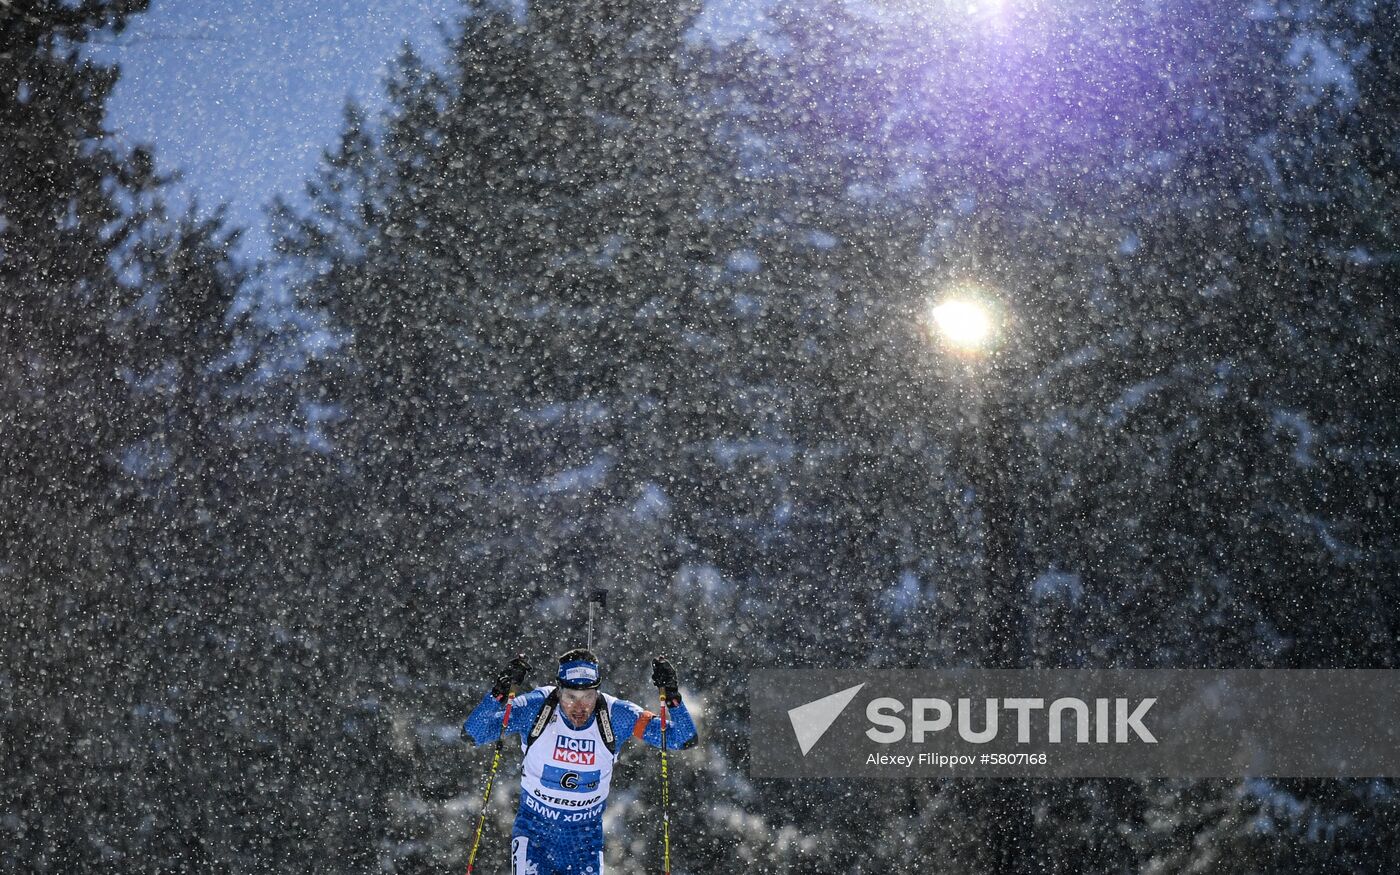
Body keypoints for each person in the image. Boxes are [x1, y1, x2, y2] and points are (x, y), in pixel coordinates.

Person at [463, 648, 697, 875]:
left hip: (583, 843)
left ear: (597, 691)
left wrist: (672, 696)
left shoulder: (617, 715)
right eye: (571, 697)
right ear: (559, 690)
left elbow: (683, 738)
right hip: (535, 835)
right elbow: (474, 733)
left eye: (588, 697)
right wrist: (499, 693)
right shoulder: (536, 707)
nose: (579, 707)